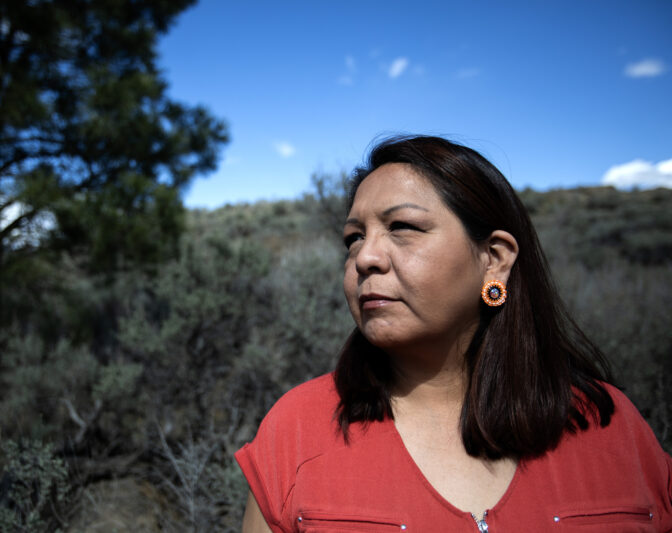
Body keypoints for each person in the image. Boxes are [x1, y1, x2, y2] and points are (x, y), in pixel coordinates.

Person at [235, 135, 672, 532]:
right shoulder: (295, 430)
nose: (364, 256)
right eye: (353, 237)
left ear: (495, 258)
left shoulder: (612, 429)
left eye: (402, 227)